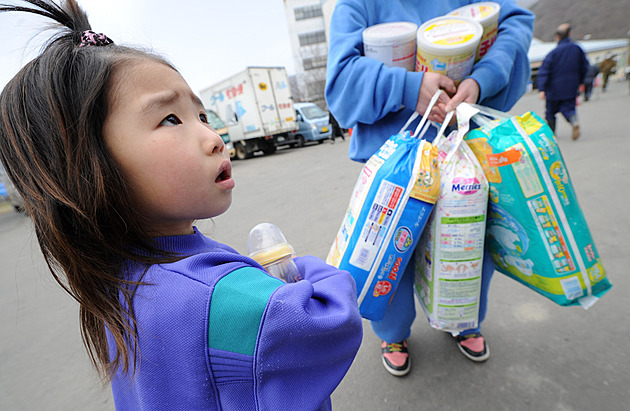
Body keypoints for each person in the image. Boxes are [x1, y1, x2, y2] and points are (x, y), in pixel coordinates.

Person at [0, 1, 363, 409]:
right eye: (171, 119)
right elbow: (330, 321)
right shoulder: (217, 296)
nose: (214, 137)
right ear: (90, 167)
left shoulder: (116, 277)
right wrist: (305, 272)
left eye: (203, 115)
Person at [326, 0, 534, 377]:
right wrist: (408, 87)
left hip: (463, 153)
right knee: (390, 254)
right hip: (396, 164)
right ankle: (393, 333)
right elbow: (340, 81)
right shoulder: (357, 5)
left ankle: (463, 320)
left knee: (467, 243)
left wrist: (481, 79)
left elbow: (515, 24)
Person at [537, 23, 589, 141]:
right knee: (569, 108)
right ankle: (574, 122)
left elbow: (544, 71)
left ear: (557, 37)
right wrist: (581, 81)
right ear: (570, 34)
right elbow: (585, 67)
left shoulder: (554, 53)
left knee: (550, 112)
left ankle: (552, 134)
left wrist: (542, 88)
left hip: (553, 88)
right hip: (571, 86)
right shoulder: (577, 49)